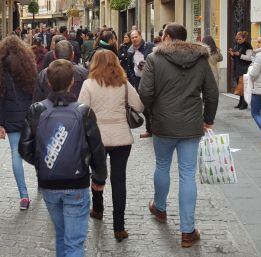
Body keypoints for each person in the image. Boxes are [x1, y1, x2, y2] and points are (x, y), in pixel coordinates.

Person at [138, 23, 219, 248]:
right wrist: (208, 119)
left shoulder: (155, 59)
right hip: (191, 124)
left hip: (163, 123)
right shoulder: (201, 59)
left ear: (167, 37)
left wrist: (153, 111)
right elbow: (211, 93)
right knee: (187, 175)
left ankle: (160, 208)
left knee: (162, 166)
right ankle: (187, 231)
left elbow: (145, 92)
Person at [19, 59, 108, 257]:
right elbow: (97, 148)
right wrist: (99, 178)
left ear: (48, 82)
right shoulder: (83, 111)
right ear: (72, 82)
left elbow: (24, 148)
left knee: (61, 234)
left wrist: (43, 161)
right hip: (77, 183)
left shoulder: (37, 109)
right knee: (74, 242)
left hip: (49, 183)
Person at [77, 50, 143, 241]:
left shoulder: (88, 84)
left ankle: (97, 209)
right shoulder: (123, 84)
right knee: (119, 180)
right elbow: (139, 106)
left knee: (98, 173)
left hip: (97, 139)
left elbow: (81, 112)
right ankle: (119, 227)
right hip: (121, 137)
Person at [0, 36, 35, 210]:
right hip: (30, 116)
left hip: (10, 117)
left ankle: (24, 196)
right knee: (36, 150)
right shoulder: (28, 66)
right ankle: (41, 182)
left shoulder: (0, 68)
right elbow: (35, 92)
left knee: (16, 154)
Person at [125, 30, 155, 138]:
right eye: (132, 38)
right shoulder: (130, 50)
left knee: (153, 104)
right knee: (143, 106)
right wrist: (133, 79)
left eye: (136, 37)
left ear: (140, 36)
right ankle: (150, 129)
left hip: (151, 80)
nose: (134, 39)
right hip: (138, 81)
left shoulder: (150, 46)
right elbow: (129, 67)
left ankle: (155, 129)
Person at [228, 31, 253, 109]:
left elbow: (249, 58)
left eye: (239, 39)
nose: (238, 41)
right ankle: (240, 103)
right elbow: (236, 56)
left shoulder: (247, 46)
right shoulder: (237, 45)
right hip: (237, 67)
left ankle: (244, 104)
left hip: (244, 68)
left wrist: (240, 55)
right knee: (239, 86)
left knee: (243, 86)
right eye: (237, 39)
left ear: (244, 38)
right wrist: (232, 54)